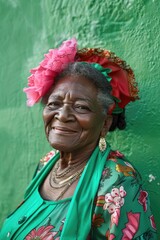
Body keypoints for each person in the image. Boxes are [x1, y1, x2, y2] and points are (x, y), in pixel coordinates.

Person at [0, 39, 157, 240]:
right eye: (54, 103)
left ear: (105, 124)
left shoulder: (117, 182)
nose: (62, 115)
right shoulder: (48, 162)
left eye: (81, 107)